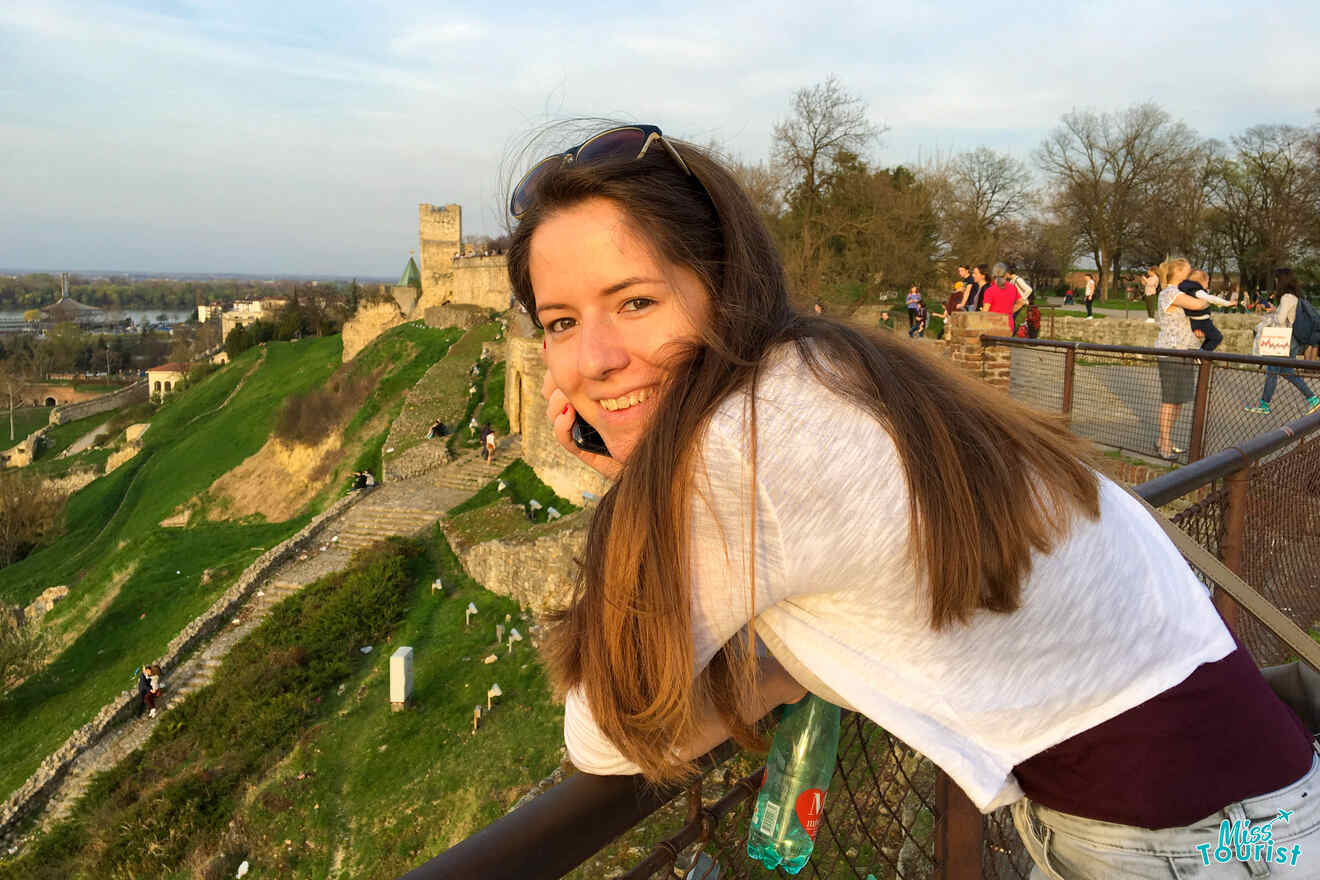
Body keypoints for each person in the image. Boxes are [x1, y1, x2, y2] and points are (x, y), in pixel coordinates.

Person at [506, 125, 1319, 879]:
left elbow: (608, 734)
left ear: (723, 281)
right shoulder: (825, 370)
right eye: (562, 322)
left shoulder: (744, 450)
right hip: (1253, 810)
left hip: (1185, 841)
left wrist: (776, 676)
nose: (596, 358)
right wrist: (641, 472)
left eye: (636, 302)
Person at [1153, 259, 1211, 460]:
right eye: (1188, 272)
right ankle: (1165, 443)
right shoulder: (1170, 293)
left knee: (1178, 401)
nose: (1191, 276)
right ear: (1178, 272)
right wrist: (1204, 291)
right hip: (1171, 352)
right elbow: (1199, 304)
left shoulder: (1180, 292)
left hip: (1185, 351)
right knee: (1170, 400)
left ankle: (1164, 439)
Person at [1245, 268, 1320, 416]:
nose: (1275, 281)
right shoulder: (1295, 296)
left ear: (1282, 280)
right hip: (1293, 339)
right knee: (1287, 372)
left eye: (1277, 279)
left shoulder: (1286, 297)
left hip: (1286, 339)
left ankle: (1264, 405)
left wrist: (1273, 314)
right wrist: (1275, 310)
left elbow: (1280, 320)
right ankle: (1312, 398)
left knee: (1272, 371)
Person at [1180, 270, 1235, 352]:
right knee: (1217, 337)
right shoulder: (1198, 291)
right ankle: (1201, 354)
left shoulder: (1187, 291)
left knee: (1211, 338)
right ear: (1201, 282)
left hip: (1194, 320)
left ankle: (1201, 352)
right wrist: (1228, 303)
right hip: (1202, 321)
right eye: (1207, 282)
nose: (1207, 284)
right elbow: (1212, 299)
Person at [980, 263, 1018, 333]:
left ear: (993, 274)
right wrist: (1010, 311)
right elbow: (1021, 302)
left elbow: (985, 311)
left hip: (993, 325)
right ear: (1006, 274)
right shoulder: (1013, 288)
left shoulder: (990, 290)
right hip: (1008, 324)